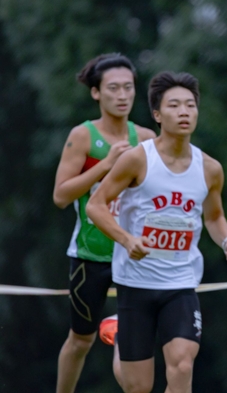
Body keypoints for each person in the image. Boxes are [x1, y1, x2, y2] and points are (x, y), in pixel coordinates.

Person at [86, 71, 227, 393]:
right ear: (157, 115)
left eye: (190, 105)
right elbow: (95, 205)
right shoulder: (137, 160)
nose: (184, 112)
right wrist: (127, 240)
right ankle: (119, 337)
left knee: (183, 365)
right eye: (174, 105)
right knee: (138, 387)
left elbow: (214, 217)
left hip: (180, 282)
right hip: (135, 283)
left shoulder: (210, 168)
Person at [53, 53, 155, 393]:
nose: (122, 95)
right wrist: (107, 164)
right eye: (113, 88)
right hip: (90, 255)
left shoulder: (146, 137)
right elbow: (61, 196)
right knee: (80, 340)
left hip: (135, 254)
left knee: (134, 342)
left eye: (128, 87)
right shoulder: (82, 136)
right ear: (96, 92)